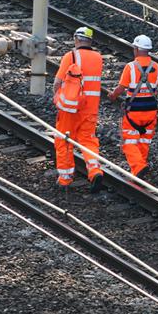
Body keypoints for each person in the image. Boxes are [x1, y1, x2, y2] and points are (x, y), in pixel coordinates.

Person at [108, 34, 158, 179]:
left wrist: (113, 96)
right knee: (144, 142)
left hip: (133, 113)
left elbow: (121, 88)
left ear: (136, 49)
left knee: (129, 142)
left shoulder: (131, 67)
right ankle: (138, 173)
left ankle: (139, 167)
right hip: (151, 113)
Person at [53, 26, 104, 193]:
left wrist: (58, 98)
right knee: (88, 140)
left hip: (71, 108)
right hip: (90, 108)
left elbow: (58, 82)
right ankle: (95, 171)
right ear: (90, 41)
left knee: (64, 140)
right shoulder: (98, 58)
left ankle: (65, 179)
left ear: (76, 38)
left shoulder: (71, 55)